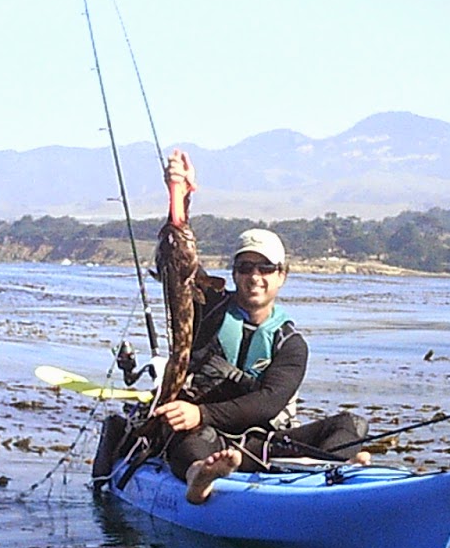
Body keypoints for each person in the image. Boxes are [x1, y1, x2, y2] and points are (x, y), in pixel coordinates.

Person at [151, 155, 369, 504]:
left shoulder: (291, 344)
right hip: (208, 438)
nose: (255, 276)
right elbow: (178, 263)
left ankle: (323, 467)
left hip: (260, 444)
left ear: (282, 276)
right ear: (234, 273)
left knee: (350, 425)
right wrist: (179, 194)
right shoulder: (209, 309)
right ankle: (199, 479)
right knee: (188, 438)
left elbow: (269, 404)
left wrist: (201, 411)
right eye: (245, 267)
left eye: (266, 268)